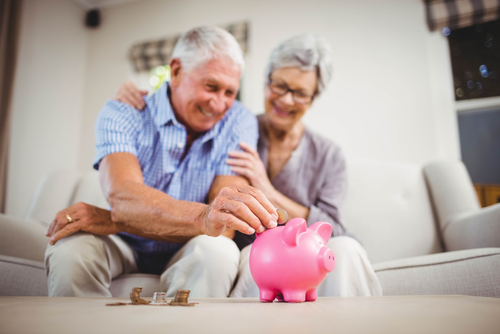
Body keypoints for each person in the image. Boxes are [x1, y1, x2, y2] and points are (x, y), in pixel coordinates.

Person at [116, 34, 383, 298]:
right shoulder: (234, 128)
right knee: (241, 259)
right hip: (255, 254)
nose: (286, 100)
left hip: (309, 258)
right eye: (279, 86)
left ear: (313, 98)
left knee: (347, 248)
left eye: (300, 93)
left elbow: (335, 230)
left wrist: (266, 188)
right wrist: (145, 102)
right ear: (266, 82)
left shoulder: (328, 155)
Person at [44, 26, 279, 298]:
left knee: (219, 250)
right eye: (211, 86)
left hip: (190, 247)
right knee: (71, 249)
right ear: (176, 71)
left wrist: (115, 219)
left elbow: (224, 224)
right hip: (124, 244)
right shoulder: (123, 112)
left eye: (229, 92)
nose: (218, 104)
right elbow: (124, 197)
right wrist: (202, 216)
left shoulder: (239, 121)